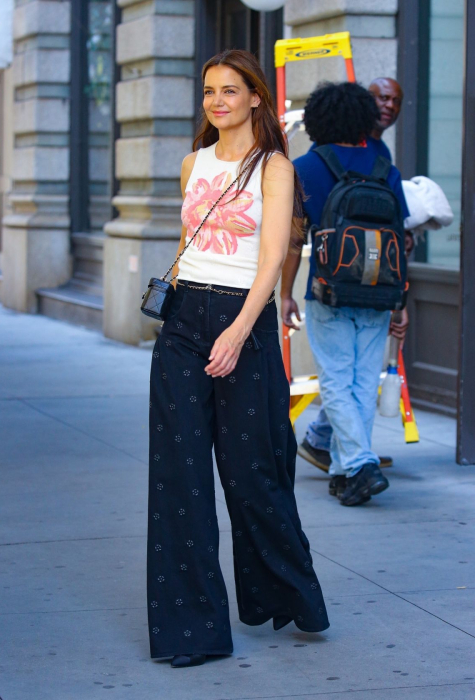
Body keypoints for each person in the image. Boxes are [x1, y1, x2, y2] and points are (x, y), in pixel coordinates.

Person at [147, 49, 329, 669]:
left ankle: (288, 594)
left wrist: (243, 328)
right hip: (183, 323)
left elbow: (273, 255)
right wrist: (181, 311)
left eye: (231, 90)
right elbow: (184, 243)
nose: (217, 101)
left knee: (254, 475)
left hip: (240, 322)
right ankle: (192, 629)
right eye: (208, 92)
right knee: (179, 478)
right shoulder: (191, 163)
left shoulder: (273, 167)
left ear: (256, 97)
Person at [281, 81, 410, 506]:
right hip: (377, 295)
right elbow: (400, 239)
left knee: (336, 380)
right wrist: (401, 300)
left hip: (329, 290)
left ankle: (358, 465)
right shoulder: (384, 167)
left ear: (317, 120)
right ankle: (343, 472)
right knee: (360, 382)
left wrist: (286, 294)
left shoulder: (306, 167)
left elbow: (293, 241)